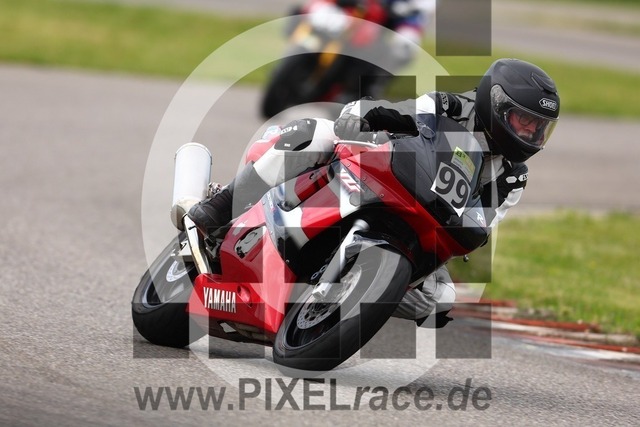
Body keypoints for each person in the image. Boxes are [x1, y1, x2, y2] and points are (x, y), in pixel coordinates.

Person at [188, 58, 560, 327]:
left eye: (538, 127)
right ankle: (222, 207)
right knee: (314, 133)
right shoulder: (449, 106)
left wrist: (470, 233)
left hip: (426, 229)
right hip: (380, 174)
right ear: (495, 104)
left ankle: (348, 299)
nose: (530, 134)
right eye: (523, 121)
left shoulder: (513, 177)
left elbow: (484, 222)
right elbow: (398, 112)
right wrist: (363, 115)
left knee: (441, 298)